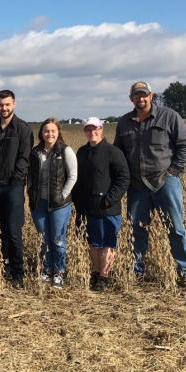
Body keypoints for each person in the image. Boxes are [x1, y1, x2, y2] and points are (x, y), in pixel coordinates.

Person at [113, 81, 186, 289]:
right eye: (136, 95)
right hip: (137, 186)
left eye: (144, 95)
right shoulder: (124, 122)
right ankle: (137, 271)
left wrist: (173, 172)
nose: (140, 99)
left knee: (176, 229)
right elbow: (119, 154)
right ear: (131, 98)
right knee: (137, 230)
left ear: (151, 96)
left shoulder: (169, 117)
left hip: (165, 182)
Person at [0, 89, 34, 288]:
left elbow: (24, 158)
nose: (4, 108)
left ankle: (18, 273)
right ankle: (2, 267)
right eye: (1, 105)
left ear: (14, 104)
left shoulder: (23, 129)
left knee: (13, 231)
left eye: (7, 104)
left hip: (12, 188)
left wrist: (15, 180)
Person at [73, 117, 130, 292]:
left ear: (102, 129)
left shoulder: (113, 152)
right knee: (92, 243)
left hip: (107, 208)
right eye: (88, 130)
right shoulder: (81, 152)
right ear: (85, 132)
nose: (92, 132)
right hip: (86, 207)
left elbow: (123, 178)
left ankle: (105, 276)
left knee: (107, 243)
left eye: (95, 129)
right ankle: (96, 273)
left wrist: (109, 199)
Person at [27, 118, 77, 289]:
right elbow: (30, 176)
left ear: (58, 132)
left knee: (58, 239)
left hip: (59, 205)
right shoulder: (35, 153)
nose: (49, 134)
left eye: (53, 131)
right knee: (44, 238)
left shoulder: (65, 151)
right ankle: (47, 269)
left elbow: (73, 176)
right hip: (39, 203)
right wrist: (30, 192)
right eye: (46, 131)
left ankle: (59, 272)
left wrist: (62, 195)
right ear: (41, 133)